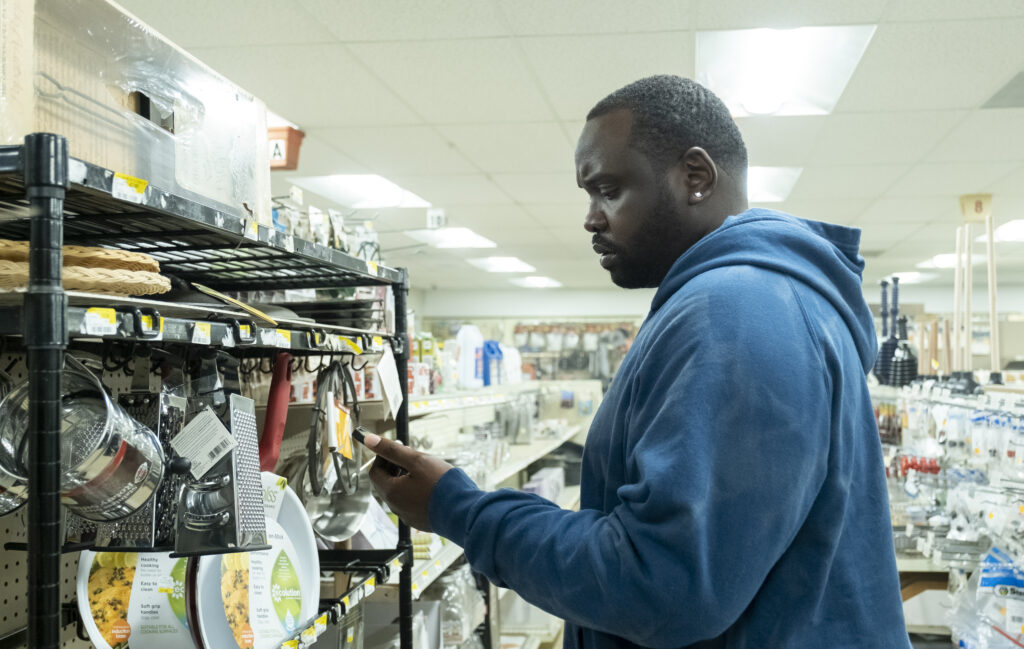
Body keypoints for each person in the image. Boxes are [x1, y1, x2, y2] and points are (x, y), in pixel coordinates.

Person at [365, 75, 910, 649]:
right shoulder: (745, 301)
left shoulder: (737, 312)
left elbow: (663, 585)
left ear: (694, 177)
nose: (591, 218)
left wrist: (462, 510)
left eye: (608, 189)